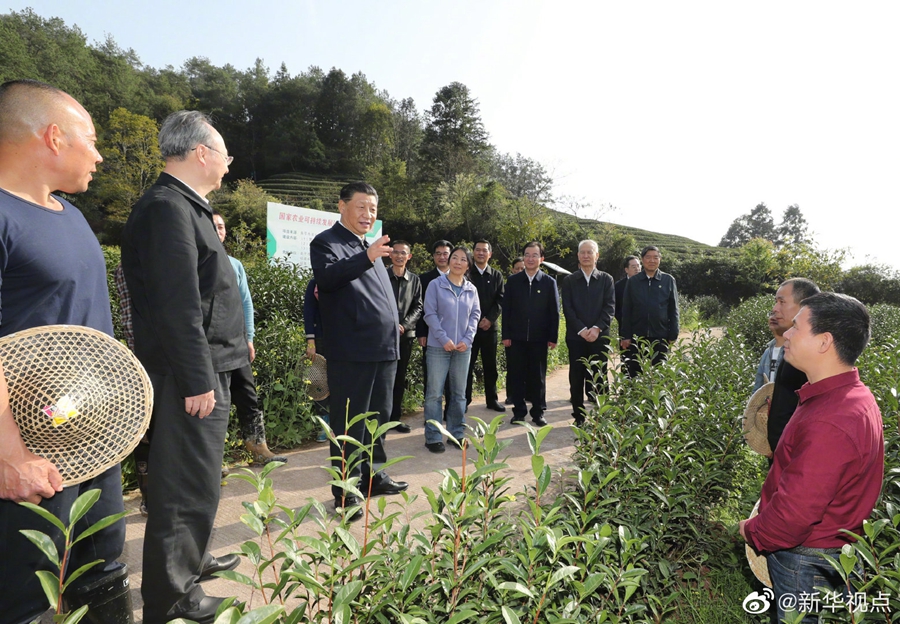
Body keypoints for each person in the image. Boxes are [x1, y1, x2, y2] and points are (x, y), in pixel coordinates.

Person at [0, 79, 131, 624]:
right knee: (28, 592)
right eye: (91, 140)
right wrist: (9, 453)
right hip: (28, 451)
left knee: (103, 572)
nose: (98, 156)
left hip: (90, 439)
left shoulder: (71, 216)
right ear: (53, 137)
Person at [122, 110, 246, 623]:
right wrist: (197, 379)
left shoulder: (184, 206)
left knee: (198, 480)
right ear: (200, 152)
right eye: (224, 153)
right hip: (187, 375)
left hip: (204, 367)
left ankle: (189, 567)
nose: (228, 164)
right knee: (183, 486)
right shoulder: (167, 208)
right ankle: (171, 597)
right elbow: (178, 305)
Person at [740, 293, 883, 624]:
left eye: (796, 327)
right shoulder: (848, 397)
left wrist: (751, 530)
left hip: (806, 564)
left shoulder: (831, 419)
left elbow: (794, 515)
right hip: (828, 554)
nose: (787, 334)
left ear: (824, 342)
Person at [310, 181, 408, 522]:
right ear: (342, 206)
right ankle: (345, 491)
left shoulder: (369, 246)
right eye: (362, 206)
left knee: (378, 418)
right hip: (352, 352)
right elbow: (327, 280)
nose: (368, 214)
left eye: (373, 209)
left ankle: (373, 475)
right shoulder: (327, 243)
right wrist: (366, 257)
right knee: (349, 424)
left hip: (384, 349)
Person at [212, 212, 287, 465]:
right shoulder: (196, 262)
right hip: (211, 346)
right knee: (216, 403)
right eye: (213, 226)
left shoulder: (235, 264)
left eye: (222, 226)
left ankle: (258, 448)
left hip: (237, 342)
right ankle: (214, 461)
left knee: (247, 396)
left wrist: (249, 338)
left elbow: (246, 302)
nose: (218, 230)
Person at [423, 246, 481, 452]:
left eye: (463, 259)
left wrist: (468, 338)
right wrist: (443, 338)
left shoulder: (471, 289)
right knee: (434, 394)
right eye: (454, 257)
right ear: (449, 261)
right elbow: (429, 313)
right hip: (438, 347)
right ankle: (433, 437)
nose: (458, 262)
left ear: (468, 265)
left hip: (463, 349)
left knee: (459, 394)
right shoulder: (435, 285)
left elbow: (475, 315)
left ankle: (456, 434)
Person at [502, 242, 560, 426]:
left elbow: (554, 312)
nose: (530, 258)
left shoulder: (549, 282)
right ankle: (519, 411)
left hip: (539, 338)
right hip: (516, 338)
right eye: (527, 254)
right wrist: (506, 335)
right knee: (517, 375)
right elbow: (506, 310)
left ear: (541, 259)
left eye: (535, 255)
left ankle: (538, 412)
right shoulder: (513, 281)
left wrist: (553, 337)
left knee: (537, 377)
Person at [764, 278, 820, 456]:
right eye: (776, 302)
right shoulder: (793, 350)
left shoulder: (810, 354)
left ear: (804, 306)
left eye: (782, 302)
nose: (775, 308)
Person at [561, 240, 615, 425]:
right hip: (576, 337)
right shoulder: (569, 281)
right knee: (576, 377)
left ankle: (602, 416)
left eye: (589, 252)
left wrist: (596, 328)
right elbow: (568, 309)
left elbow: (609, 307)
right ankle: (579, 416)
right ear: (578, 255)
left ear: (597, 256)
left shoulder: (606, 279)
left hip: (600, 336)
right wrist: (582, 330)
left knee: (599, 375)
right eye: (582, 252)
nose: (586, 255)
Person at [619, 246, 679, 377]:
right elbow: (627, 309)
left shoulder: (668, 280)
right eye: (648, 257)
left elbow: (673, 309)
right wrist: (626, 335)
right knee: (635, 373)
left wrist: (673, 333)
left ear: (660, 259)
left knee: (660, 374)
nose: (652, 260)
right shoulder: (633, 281)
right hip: (637, 336)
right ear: (642, 259)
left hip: (660, 336)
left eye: (655, 257)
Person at [466, 240, 506, 412]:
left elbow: (501, 300)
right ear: (473, 252)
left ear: (490, 254)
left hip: (490, 329)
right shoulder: (466, 273)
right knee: (467, 365)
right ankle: (464, 400)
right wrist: (474, 321)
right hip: (468, 329)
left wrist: (489, 319)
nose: (481, 253)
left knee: (490, 366)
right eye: (478, 250)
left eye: (484, 250)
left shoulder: (496, 275)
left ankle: (492, 400)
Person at [387, 240, 423, 433]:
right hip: (383, 336)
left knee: (399, 377)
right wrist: (389, 324)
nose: (399, 256)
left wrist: (405, 325)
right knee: (383, 378)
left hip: (405, 336)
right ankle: (380, 419)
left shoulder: (415, 280)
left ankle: (395, 418)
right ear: (390, 254)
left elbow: (418, 306)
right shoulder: (382, 276)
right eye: (396, 252)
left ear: (409, 257)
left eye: (403, 253)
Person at [417, 240, 453, 416]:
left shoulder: (460, 277)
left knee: (453, 379)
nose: (442, 257)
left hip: (454, 337)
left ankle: (451, 412)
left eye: (445, 253)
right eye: (438, 253)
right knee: (432, 377)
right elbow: (420, 307)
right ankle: (431, 415)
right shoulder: (424, 279)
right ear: (433, 257)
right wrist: (421, 332)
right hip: (431, 336)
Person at [303, 277, 330, 442]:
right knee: (319, 382)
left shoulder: (347, 279)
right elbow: (308, 312)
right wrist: (311, 342)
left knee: (341, 381)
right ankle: (323, 423)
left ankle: (340, 422)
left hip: (343, 340)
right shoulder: (315, 284)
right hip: (320, 339)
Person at [504, 256, 526, 406]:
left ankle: (527, 394)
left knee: (528, 367)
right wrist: (506, 334)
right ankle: (511, 395)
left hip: (530, 333)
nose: (519, 271)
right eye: (516, 268)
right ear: (512, 270)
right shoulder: (510, 284)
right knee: (513, 366)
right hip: (513, 333)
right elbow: (506, 310)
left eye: (522, 268)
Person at [613, 255, 641, 326]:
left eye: (638, 266)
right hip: (625, 325)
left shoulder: (647, 283)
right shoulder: (618, 286)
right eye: (633, 267)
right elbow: (615, 307)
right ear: (626, 270)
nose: (637, 269)